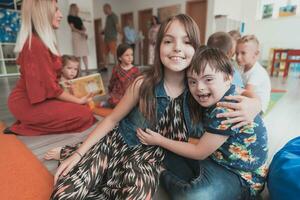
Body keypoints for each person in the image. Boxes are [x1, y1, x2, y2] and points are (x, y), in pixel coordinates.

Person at [45, 14, 260, 199]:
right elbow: (111, 119)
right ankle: (70, 150)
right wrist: (79, 154)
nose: (177, 48)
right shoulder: (142, 83)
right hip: (117, 144)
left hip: (149, 159)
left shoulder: (201, 90)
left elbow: (239, 90)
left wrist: (255, 104)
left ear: (196, 48)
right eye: (168, 41)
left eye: (186, 42)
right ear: (158, 47)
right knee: (65, 193)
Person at [137, 46, 268, 199]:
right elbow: (244, 91)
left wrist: (159, 140)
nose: (199, 87)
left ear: (228, 77)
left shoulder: (225, 110)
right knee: (167, 151)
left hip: (242, 177)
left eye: (208, 79)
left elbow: (199, 152)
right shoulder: (227, 90)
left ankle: (161, 173)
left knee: (192, 196)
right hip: (216, 158)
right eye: (192, 81)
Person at [6, 0, 96, 136]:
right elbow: (52, 90)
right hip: (26, 103)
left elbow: (52, 80)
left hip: (40, 98)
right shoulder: (36, 45)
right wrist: (78, 100)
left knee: (84, 106)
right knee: (84, 114)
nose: (60, 15)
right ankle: (25, 126)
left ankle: (32, 121)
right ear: (42, 13)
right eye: (56, 10)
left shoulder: (41, 41)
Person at [236, 35, 271, 113]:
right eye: (237, 53)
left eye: (243, 53)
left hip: (258, 108)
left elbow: (246, 93)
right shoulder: (242, 67)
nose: (238, 57)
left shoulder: (257, 72)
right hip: (248, 102)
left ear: (256, 54)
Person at [100, 43, 140, 108]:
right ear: (120, 58)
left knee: (133, 104)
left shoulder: (135, 70)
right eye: (127, 55)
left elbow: (138, 85)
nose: (130, 57)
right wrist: (110, 92)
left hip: (130, 95)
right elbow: (112, 82)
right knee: (114, 101)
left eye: (131, 55)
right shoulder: (116, 69)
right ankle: (108, 103)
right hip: (118, 94)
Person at [68, 3, 89, 73]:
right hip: (76, 35)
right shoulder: (70, 17)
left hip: (82, 35)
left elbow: (83, 27)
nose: (78, 9)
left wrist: (84, 31)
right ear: (73, 8)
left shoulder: (78, 18)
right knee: (78, 55)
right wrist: (81, 32)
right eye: (77, 7)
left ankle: (87, 69)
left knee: (84, 53)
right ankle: (79, 70)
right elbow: (72, 28)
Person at [99, 3, 120, 72]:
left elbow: (117, 26)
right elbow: (107, 28)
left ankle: (117, 67)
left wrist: (120, 35)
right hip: (106, 38)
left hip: (112, 38)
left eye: (104, 10)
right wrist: (102, 31)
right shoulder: (107, 17)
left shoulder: (114, 16)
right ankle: (105, 66)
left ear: (108, 8)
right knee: (105, 53)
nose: (104, 11)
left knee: (114, 53)